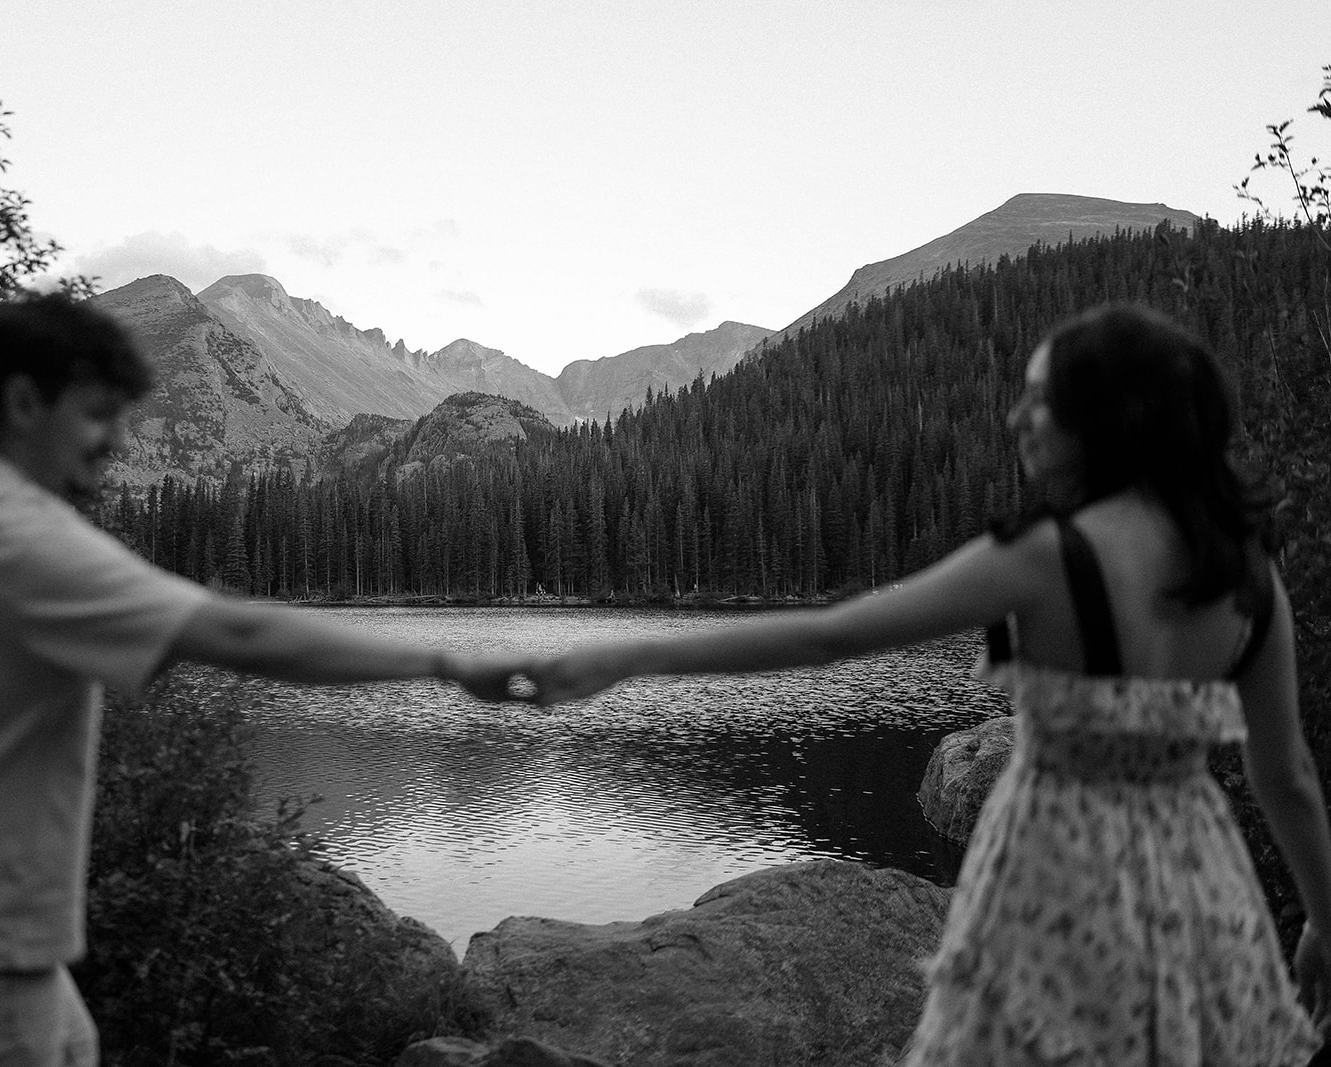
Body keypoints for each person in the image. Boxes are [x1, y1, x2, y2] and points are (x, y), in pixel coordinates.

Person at [530, 303, 1331, 1064]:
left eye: (1042, 400)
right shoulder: (1247, 573)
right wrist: (1324, 919)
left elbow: (828, 634)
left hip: (1056, 883)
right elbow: (1285, 775)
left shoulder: (1048, 556)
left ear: (1108, 415)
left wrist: (628, 656)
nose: (1017, 417)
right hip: (1198, 886)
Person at [0, 290, 534, 1067]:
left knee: (73, 1044)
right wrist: (443, 661)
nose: (114, 441)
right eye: (97, 413)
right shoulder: (17, 538)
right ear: (24, 400)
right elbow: (236, 630)